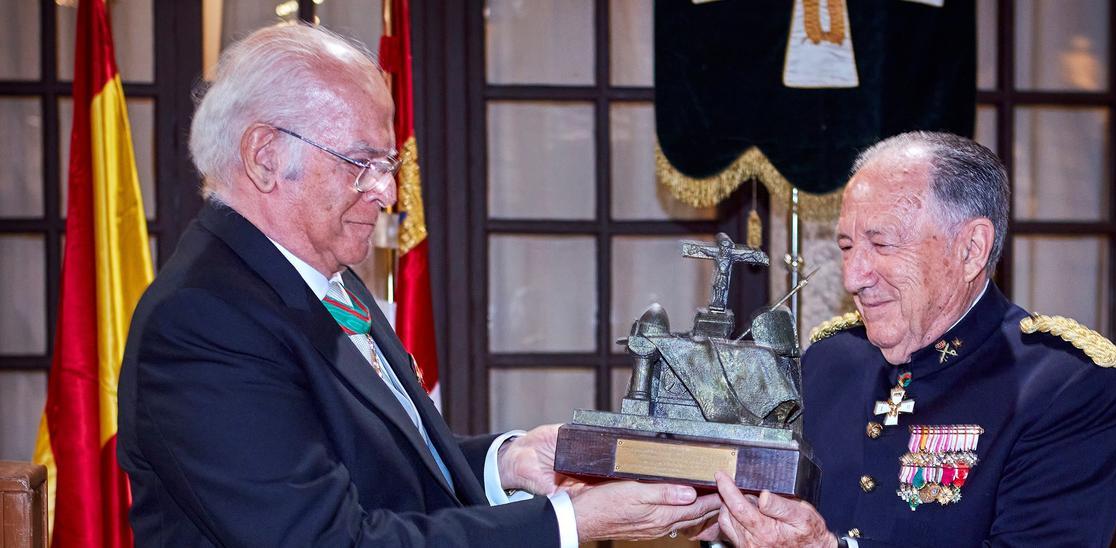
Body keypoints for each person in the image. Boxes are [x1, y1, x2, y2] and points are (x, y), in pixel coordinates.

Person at [116, 24, 718, 547]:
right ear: (265, 157)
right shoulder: (204, 321)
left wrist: (507, 461)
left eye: (388, 166)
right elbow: (322, 540)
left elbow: (384, 463)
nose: (387, 194)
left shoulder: (319, 278)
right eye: (361, 163)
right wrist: (567, 522)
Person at [698, 131, 1116, 546]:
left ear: (971, 249)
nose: (853, 277)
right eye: (847, 246)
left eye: (883, 245)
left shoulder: (1067, 386)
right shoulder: (830, 359)